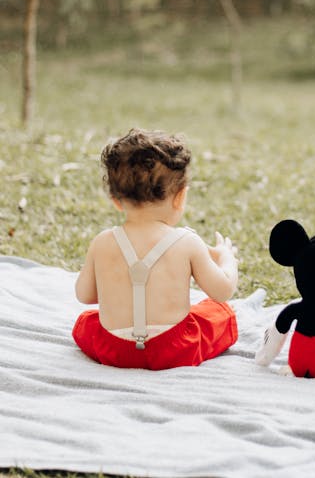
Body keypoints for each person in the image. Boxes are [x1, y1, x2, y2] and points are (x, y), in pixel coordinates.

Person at [72, 128, 238, 370]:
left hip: (115, 350)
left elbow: (84, 296)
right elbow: (222, 291)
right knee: (220, 312)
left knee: (86, 322)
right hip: (174, 350)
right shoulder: (187, 242)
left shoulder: (102, 242)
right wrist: (227, 259)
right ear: (180, 197)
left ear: (116, 201)